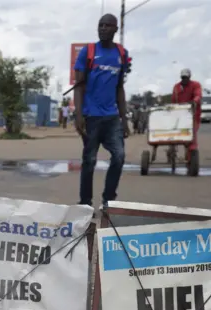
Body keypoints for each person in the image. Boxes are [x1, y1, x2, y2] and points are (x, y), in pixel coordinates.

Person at [74, 13, 130, 209]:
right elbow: (79, 87)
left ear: (116, 29)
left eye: (108, 26)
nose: (103, 28)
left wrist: (124, 119)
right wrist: (79, 115)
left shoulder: (121, 54)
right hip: (91, 117)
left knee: (119, 156)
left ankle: (108, 200)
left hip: (112, 117)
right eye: (100, 25)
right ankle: (85, 204)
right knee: (89, 161)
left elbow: (119, 88)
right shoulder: (88, 52)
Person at [171, 68, 201, 162]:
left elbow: (198, 95)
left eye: (186, 78)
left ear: (189, 77)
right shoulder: (177, 87)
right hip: (179, 115)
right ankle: (172, 150)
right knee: (175, 134)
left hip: (192, 115)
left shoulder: (195, 85)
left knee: (190, 137)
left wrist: (194, 101)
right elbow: (173, 100)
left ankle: (190, 155)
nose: (184, 80)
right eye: (183, 78)